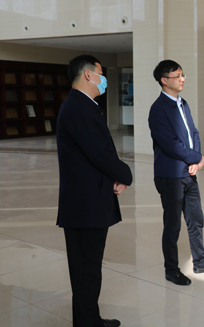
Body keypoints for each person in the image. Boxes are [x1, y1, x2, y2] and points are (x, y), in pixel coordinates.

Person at [57, 55, 132, 327]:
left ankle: (89, 320)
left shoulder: (83, 105)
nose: (104, 79)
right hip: (84, 205)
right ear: (88, 74)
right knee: (86, 271)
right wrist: (125, 174)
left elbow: (95, 154)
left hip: (88, 201)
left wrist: (115, 177)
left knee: (87, 271)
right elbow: (99, 153)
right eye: (101, 73)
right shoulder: (78, 107)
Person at [148, 60, 204, 287]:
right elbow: (170, 144)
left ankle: (201, 262)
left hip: (188, 172)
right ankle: (171, 270)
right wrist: (196, 158)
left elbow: (194, 133)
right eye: (177, 76)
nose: (182, 79)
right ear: (164, 80)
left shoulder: (183, 103)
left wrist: (196, 160)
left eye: (183, 74)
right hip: (170, 175)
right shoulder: (158, 109)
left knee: (196, 219)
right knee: (173, 225)